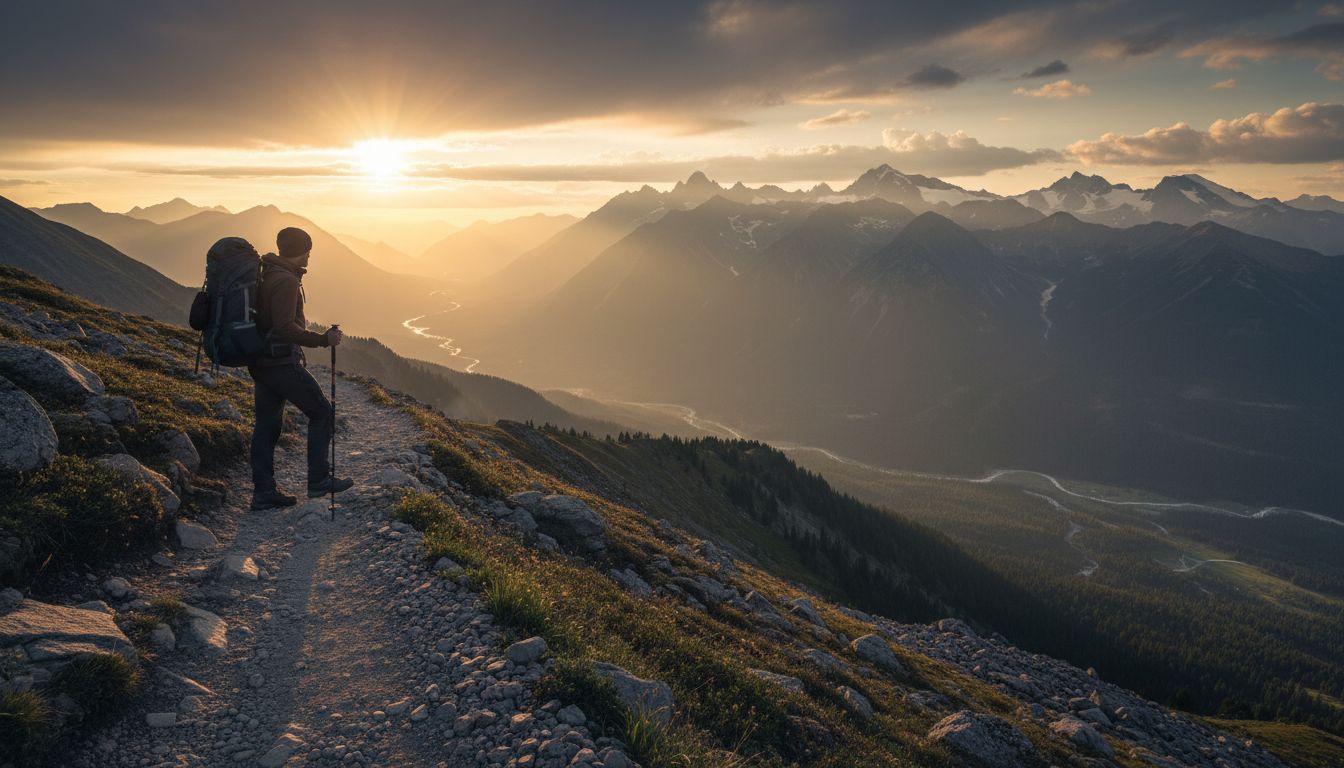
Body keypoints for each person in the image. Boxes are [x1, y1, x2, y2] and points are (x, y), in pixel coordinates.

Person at [248, 226, 354, 510]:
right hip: (280, 362)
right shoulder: (286, 281)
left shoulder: (269, 271)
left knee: (267, 426)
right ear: (301, 250)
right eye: (308, 250)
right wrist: (323, 340)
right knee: (321, 412)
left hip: (262, 361)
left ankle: (263, 492)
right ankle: (319, 480)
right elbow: (284, 326)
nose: (310, 256)